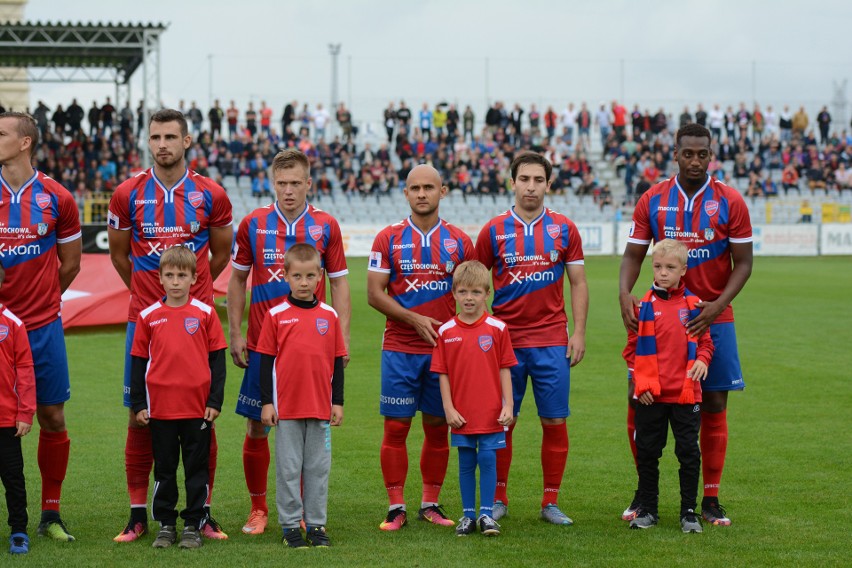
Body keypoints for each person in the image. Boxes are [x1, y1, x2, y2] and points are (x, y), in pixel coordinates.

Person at [108, 108, 233, 542]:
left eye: (170, 137)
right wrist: (149, 301)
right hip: (145, 322)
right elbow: (119, 256)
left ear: (187, 141)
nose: (162, 144)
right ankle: (138, 513)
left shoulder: (211, 194)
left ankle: (204, 513)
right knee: (139, 417)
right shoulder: (127, 193)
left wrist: (190, 297)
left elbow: (220, 254)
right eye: (155, 136)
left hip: (197, 324)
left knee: (203, 418)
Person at [619, 122, 753, 527]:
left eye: (702, 154)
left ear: (710, 155)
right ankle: (644, 495)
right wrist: (624, 293)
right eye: (687, 153)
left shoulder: (730, 200)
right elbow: (632, 256)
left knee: (712, 403)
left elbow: (744, 263)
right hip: (657, 318)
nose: (695, 160)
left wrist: (716, 306)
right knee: (641, 397)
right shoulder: (653, 199)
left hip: (714, 318)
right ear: (674, 153)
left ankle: (709, 500)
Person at [228, 148, 350, 536]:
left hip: (312, 349)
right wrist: (235, 331)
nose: (289, 190)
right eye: (282, 183)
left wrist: (341, 335)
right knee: (258, 427)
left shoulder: (326, 225)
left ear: (309, 183)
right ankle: (259, 509)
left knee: (310, 430)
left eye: (296, 183)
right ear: (272, 183)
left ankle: (301, 513)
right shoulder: (253, 223)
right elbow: (236, 280)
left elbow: (340, 282)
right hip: (266, 348)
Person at [475, 151, 588, 525]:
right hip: (505, 343)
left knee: (554, 421)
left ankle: (550, 502)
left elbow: (578, 282)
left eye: (539, 180)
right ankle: (498, 497)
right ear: (512, 182)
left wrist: (579, 331)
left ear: (549, 185)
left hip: (552, 341)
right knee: (504, 421)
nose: (531, 186)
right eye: (524, 179)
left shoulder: (564, 229)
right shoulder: (493, 230)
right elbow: (474, 282)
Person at [366, 164, 475, 531]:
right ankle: (395, 506)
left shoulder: (460, 241)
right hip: (399, 348)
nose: (422, 194)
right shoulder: (388, 238)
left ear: (442, 191)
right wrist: (413, 319)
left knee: (437, 426)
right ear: (406, 193)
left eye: (429, 187)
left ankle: (430, 502)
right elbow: (374, 294)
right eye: (415, 188)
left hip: (444, 353)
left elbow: (472, 294)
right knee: (395, 428)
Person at [0, 111, 82, 541]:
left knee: (51, 415)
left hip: (41, 326)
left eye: (1, 134)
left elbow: (70, 264)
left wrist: (42, 300)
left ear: (25, 142)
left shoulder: (57, 198)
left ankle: (51, 514)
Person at [129, 246, 227, 549]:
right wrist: (138, 404)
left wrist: (214, 401)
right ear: (159, 278)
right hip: (161, 410)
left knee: (196, 470)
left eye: (181, 275)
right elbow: (137, 363)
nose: (175, 281)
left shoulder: (206, 313)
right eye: (169, 275)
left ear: (194, 278)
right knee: (165, 469)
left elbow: (217, 362)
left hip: (197, 410)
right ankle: (166, 524)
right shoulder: (148, 316)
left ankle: (193, 525)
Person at [258, 244, 347, 548]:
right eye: (297, 276)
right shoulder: (276, 316)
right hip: (287, 409)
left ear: (320, 276)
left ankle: (317, 526)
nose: (304, 282)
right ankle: (290, 526)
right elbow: (265, 363)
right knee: (288, 468)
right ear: (285, 275)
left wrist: (338, 402)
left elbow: (337, 362)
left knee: (318, 469)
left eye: (311, 276)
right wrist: (267, 402)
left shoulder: (329, 315)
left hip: (321, 408)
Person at [622, 239, 713, 533]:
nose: (662, 273)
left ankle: (688, 511)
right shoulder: (643, 306)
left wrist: (702, 360)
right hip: (652, 396)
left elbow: (706, 343)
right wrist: (641, 384)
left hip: (686, 395)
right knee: (648, 452)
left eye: (670, 268)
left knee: (688, 452)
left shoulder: (694, 306)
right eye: (658, 266)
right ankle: (648, 509)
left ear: (683, 270)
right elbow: (632, 350)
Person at [431, 261, 515, 537]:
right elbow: (442, 373)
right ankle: (467, 516)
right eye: (464, 291)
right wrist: (448, 408)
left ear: (487, 294)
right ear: (454, 293)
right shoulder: (446, 331)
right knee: (466, 460)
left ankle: (486, 515)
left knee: (489, 459)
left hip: (491, 410)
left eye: (476, 292)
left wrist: (508, 404)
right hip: (461, 412)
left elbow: (505, 368)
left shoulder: (498, 328)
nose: (469, 298)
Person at [0, 265, 36, 554]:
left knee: (13, 477)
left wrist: (25, 412)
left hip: (6, 421)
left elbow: (25, 369)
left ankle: (19, 531)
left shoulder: (13, 323)